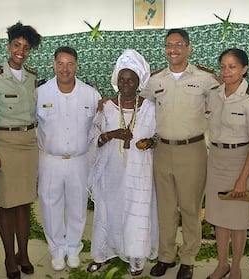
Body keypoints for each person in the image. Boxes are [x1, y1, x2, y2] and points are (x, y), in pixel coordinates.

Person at [141, 28, 219, 279]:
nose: (173, 49)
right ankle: (166, 256)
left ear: (189, 48)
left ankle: (188, 258)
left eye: (179, 44)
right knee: (165, 208)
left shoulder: (205, 78)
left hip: (193, 150)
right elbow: (142, 108)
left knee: (190, 208)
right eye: (168, 45)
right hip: (162, 150)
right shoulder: (156, 80)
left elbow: (219, 106)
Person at [87, 49, 158, 276]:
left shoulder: (150, 108)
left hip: (141, 174)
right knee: (108, 211)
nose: (126, 84)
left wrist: (151, 142)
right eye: (122, 79)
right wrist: (111, 135)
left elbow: (159, 136)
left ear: (139, 82)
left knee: (137, 213)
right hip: (111, 173)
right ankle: (103, 253)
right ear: (116, 81)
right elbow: (93, 140)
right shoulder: (105, 107)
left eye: (131, 80)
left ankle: (136, 258)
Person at [0, 22, 41, 279]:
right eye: (17, 45)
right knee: (6, 205)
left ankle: (24, 254)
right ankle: (9, 257)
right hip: (3, 144)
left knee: (24, 203)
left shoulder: (31, 76)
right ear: (8, 46)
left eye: (26, 47)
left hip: (28, 144)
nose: (21, 51)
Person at [36, 46, 101, 271]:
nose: (65, 69)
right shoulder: (40, 93)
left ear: (77, 65)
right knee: (50, 205)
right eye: (61, 63)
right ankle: (56, 250)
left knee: (77, 205)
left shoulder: (90, 94)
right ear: (54, 65)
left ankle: (73, 247)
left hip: (79, 160)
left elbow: (98, 127)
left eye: (70, 63)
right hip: (50, 159)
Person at [204, 48, 249, 279]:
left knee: (238, 220)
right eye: (223, 66)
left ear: (244, 68)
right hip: (216, 159)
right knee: (220, 218)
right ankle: (222, 264)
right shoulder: (214, 93)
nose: (226, 71)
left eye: (232, 66)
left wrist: (242, 179)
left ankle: (236, 267)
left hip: (240, 160)